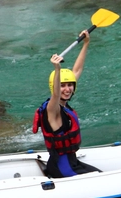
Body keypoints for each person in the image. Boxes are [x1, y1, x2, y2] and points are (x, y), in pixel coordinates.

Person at [32, 30, 101, 178]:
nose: (67, 89)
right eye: (63, 85)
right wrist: (57, 69)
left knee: (100, 174)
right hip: (62, 167)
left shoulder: (64, 104)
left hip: (72, 161)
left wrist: (86, 43)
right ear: (55, 86)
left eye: (70, 85)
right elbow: (56, 94)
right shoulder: (52, 108)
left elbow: (77, 70)